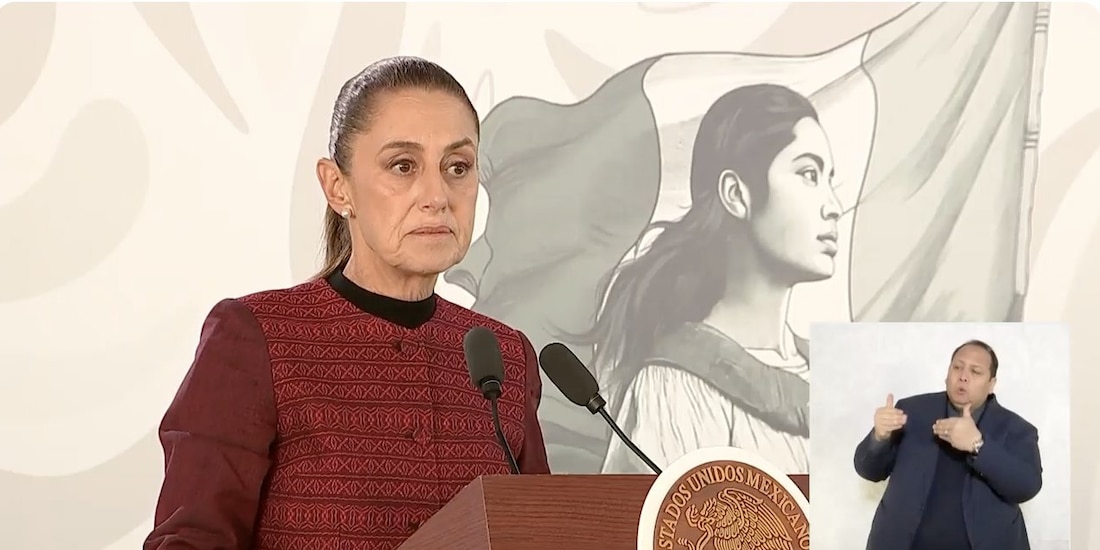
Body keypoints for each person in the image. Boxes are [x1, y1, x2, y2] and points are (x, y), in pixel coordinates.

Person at [144, 56, 550, 550]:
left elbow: (540, 533)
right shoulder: (257, 338)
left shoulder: (505, 357)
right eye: (403, 166)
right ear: (338, 187)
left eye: (457, 168)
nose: (437, 196)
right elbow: (192, 540)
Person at [588, 84, 840, 475]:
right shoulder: (674, 387)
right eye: (808, 174)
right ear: (737, 194)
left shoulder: (840, 376)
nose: (833, 207)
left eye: (828, 179)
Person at [853, 339, 1042, 550]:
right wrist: (880, 436)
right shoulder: (912, 410)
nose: (963, 376)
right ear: (947, 374)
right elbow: (869, 470)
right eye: (957, 367)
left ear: (991, 384)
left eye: (975, 371)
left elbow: (1027, 486)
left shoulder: (1016, 429)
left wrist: (977, 444)